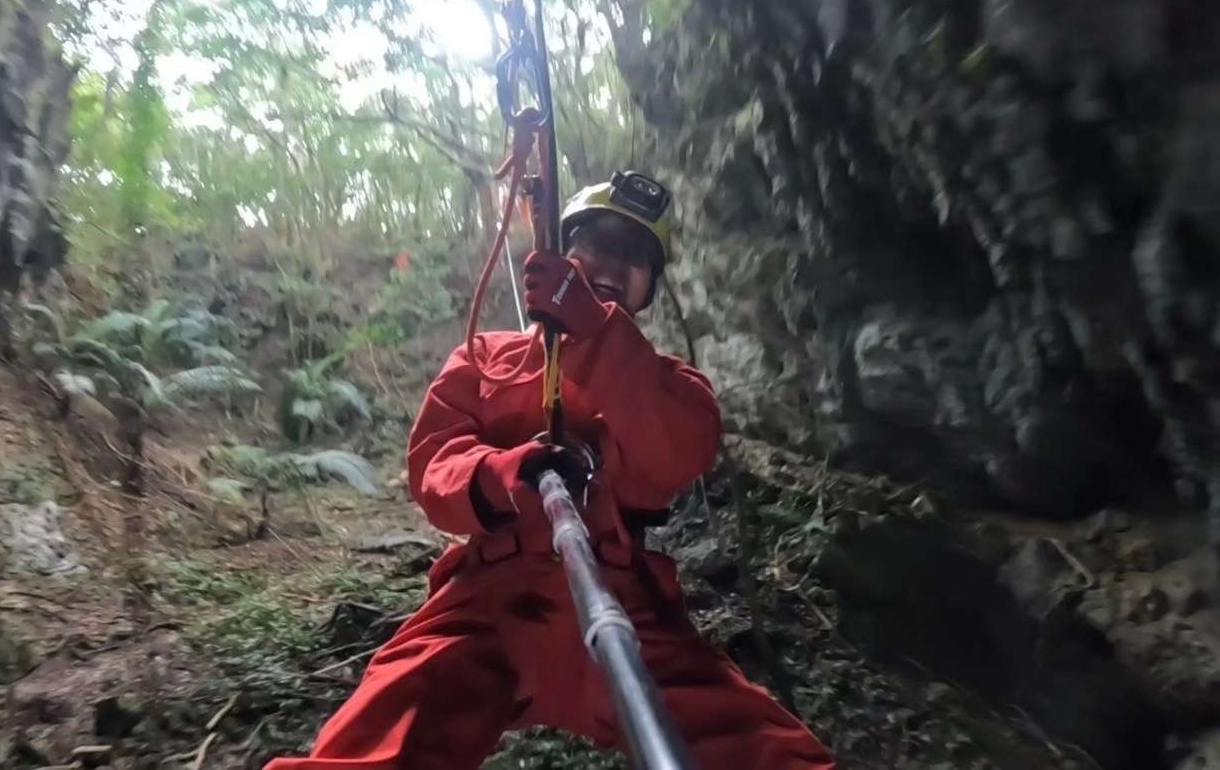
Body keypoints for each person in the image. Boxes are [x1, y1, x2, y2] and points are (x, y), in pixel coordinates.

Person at [263, 173, 836, 770]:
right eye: (597, 240)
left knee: (765, 752)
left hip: (627, 604)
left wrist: (596, 336)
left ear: (650, 289)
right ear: (562, 254)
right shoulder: (483, 360)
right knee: (379, 742)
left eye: (637, 253)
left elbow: (681, 451)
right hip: (482, 603)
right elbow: (434, 464)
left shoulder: (671, 383)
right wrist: (502, 474)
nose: (615, 259)